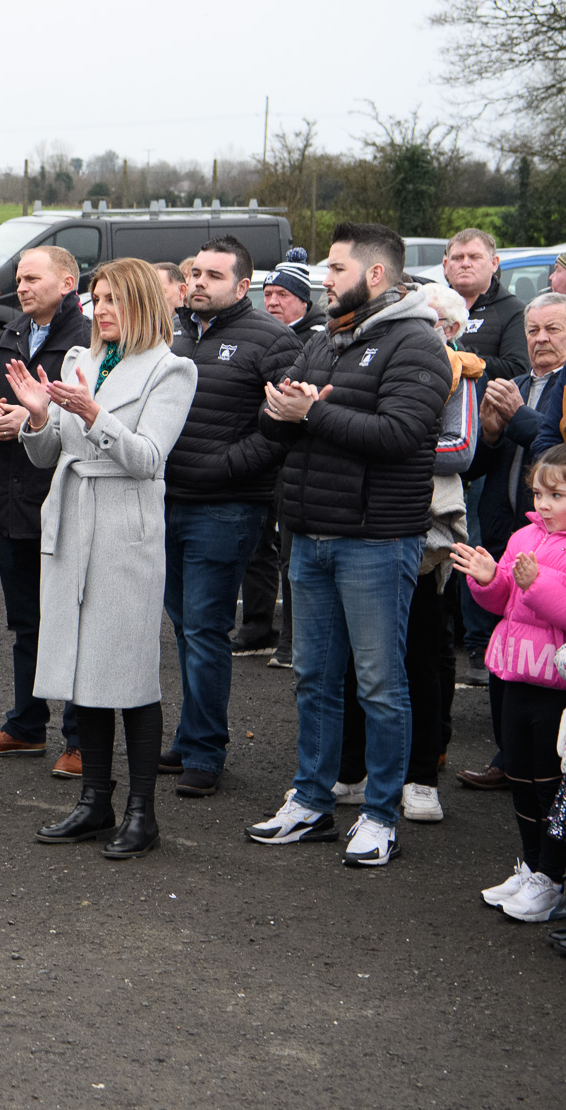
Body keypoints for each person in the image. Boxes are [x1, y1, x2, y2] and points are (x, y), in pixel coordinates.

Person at [246, 223, 450, 867]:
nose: (323, 280)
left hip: (375, 542)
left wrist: (312, 414)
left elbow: (402, 434)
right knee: (313, 678)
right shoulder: (326, 339)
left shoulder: (418, 343)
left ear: (376, 275)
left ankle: (380, 815)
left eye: (335, 269)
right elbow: (279, 418)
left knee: (380, 683)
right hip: (309, 534)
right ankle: (310, 803)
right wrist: (278, 410)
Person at [9, 257, 196, 858]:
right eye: (98, 298)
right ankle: (94, 801)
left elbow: (147, 459)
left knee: (131, 673)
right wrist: (38, 418)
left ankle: (142, 813)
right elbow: (48, 455)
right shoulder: (79, 360)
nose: (103, 309)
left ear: (143, 302)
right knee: (80, 670)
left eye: (115, 298)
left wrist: (93, 414)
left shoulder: (173, 369)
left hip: (124, 532)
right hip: (70, 522)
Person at [332, 283, 481, 824]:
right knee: (352, 657)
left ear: (451, 330)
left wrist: (381, 443)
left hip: (424, 533)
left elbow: (460, 449)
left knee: (418, 653)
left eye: (438, 324)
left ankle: (421, 776)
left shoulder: (458, 373)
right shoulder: (370, 360)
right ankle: (352, 770)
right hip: (361, 521)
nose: (427, 333)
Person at [158, 236, 302, 796]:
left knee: (205, 627)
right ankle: (193, 733)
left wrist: (226, 467)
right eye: (195, 273)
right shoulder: (172, 335)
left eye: (213, 276)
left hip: (225, 507)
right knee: (184, 627)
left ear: (243, 286)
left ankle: (206, 753)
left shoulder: (272, 340)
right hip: (166, 502)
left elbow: (285, 426)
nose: (197, 283)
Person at [0, 247, 94, 773]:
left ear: (66, 282)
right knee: (27, 624)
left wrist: (28, 419)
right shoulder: (14, 331)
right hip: (13, 502)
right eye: (18, 278)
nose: (21, 286)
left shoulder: (82, 339)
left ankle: (81, 741)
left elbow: (82, 411)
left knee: (72, 623)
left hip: (62, 499)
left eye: (32, 278)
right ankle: (25, 726)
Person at [453, 444, 566, 922]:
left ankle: (553, 878)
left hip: (555, 684)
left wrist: (535, 583)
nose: (543, 504)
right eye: (539, 493)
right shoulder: (522, 536)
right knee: (518, 774)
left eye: (557, 495)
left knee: (549, 783)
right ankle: (532, 864)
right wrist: (486, 579)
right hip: (515, 674)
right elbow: (504, 601)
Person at [458, 292, 566, 791]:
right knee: (508, 652)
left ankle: (543, 764)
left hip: (557, 544)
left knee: (548, 652)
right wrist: (493, 432)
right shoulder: (515, 383)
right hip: (509, 534)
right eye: (533, 331)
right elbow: (475, 467)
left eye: (553, 330)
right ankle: (509, 754)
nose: (540, 339)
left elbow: (554, 453)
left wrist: (519, 417)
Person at [238, 250, 324, 667]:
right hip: (264, 455)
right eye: (267, 294)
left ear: (304, 301)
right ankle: (260, 627)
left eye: (282, 295)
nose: (271, 302)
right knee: (262, 546)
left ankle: (291, 641)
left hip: (296, 462)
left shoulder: (316, 339)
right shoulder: (263, 334)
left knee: (294, 557)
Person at [445, 227, 526, 381]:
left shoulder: (514, 310)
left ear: (494, 263)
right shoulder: (431, 307)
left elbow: (517, 369)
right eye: (457, 258)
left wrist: (458, 357)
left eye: (474, 257)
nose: (465, 264)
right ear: (446, 264)